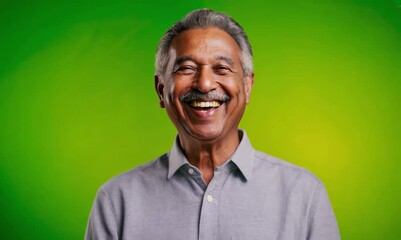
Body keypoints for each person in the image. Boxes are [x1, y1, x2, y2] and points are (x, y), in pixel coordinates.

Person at [85, 9, 340, 240]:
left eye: (222, 68)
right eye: (186, 68)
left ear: (248, 86)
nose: (205, 84)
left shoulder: (304, 195)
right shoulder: (116, 202)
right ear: (161, 90)